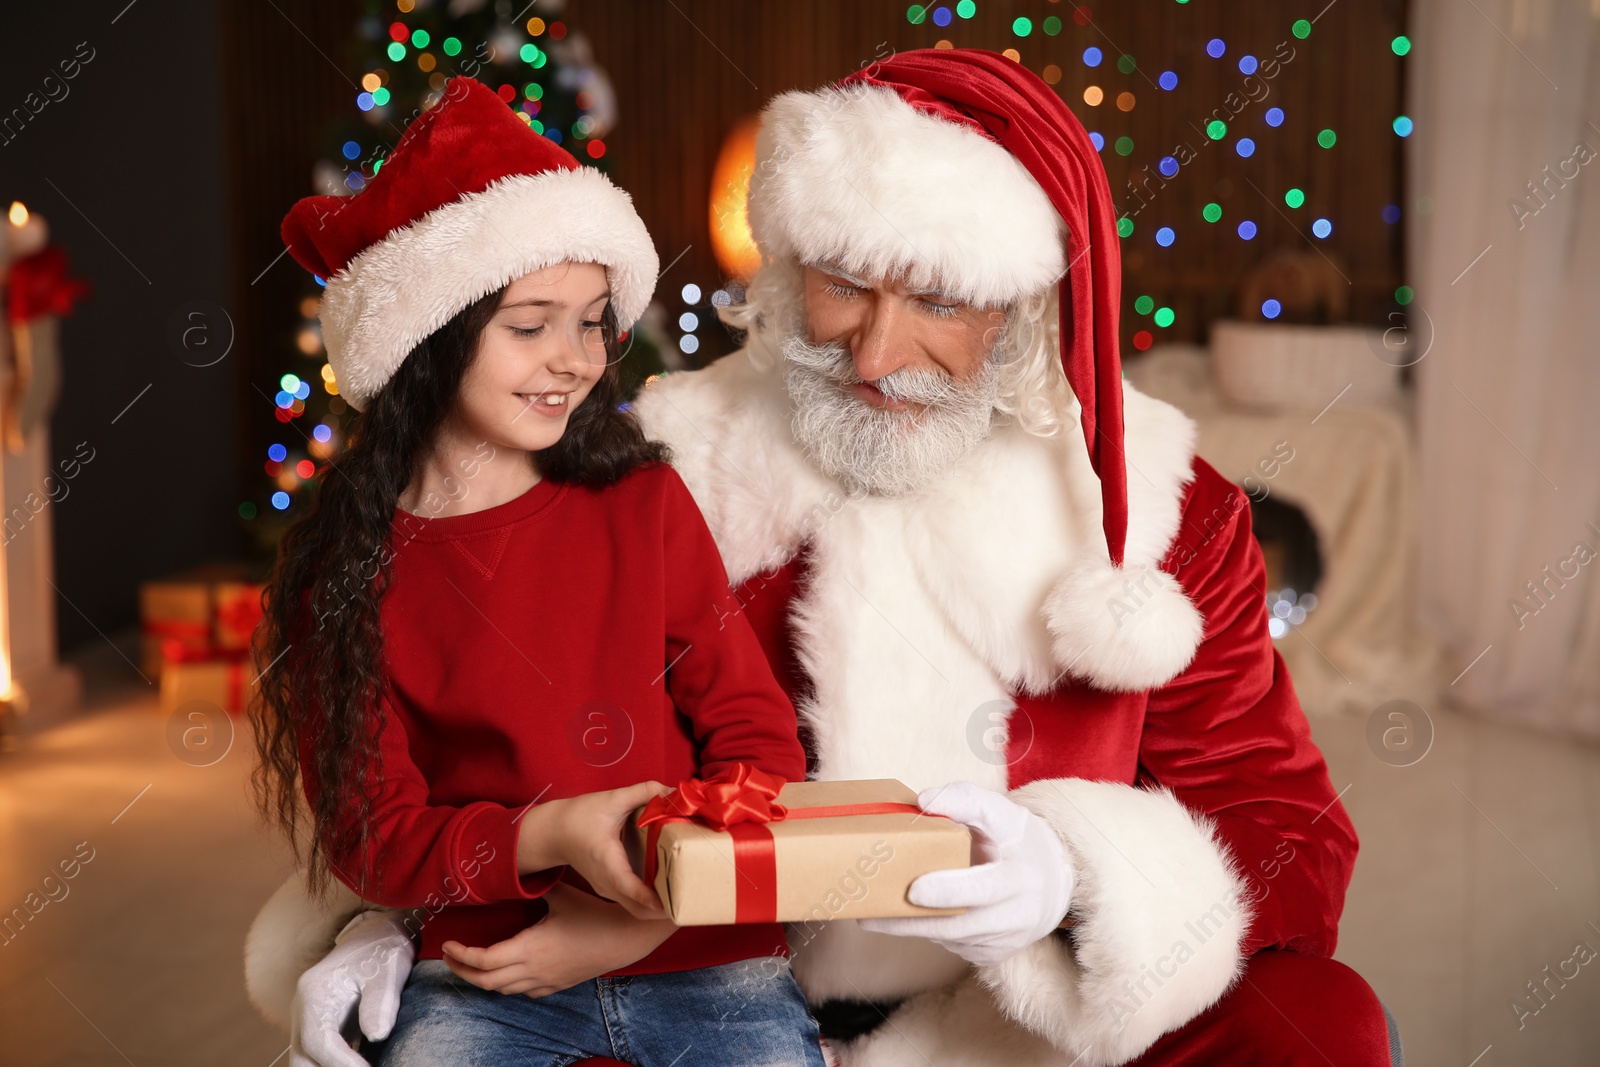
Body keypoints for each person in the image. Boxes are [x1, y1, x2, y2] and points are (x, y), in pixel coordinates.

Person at [250, 51, 1399, 1066]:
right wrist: (394, 930)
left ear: (1027, 310)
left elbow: (1287, 832)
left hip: (1006, 1024)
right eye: (844, 280)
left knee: (1317, 1022)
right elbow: (449, 725)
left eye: (939, 297)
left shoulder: (1153, 508)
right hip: (686, 975)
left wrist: (1074, 882)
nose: (876, 350)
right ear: (787, 262)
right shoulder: (651, 465)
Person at [248, 75, 828, 1067]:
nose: (575, 358)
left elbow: (757, 744)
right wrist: (549, 833)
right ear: (428, 336)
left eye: (594, 319)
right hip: (482, 971)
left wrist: (641, 923)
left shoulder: (640, 503)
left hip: (705, 958)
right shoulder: (346, 570)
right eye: (530, 323)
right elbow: (375, 837)